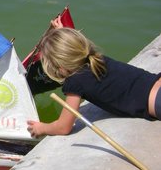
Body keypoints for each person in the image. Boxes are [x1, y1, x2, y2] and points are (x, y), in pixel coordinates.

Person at [27, 17, 161, 138]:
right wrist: (63, 34)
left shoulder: (75, 82)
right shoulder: (95, 57)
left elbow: (63, 127)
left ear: (60, 67)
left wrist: (42, 128)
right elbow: (75, 48)